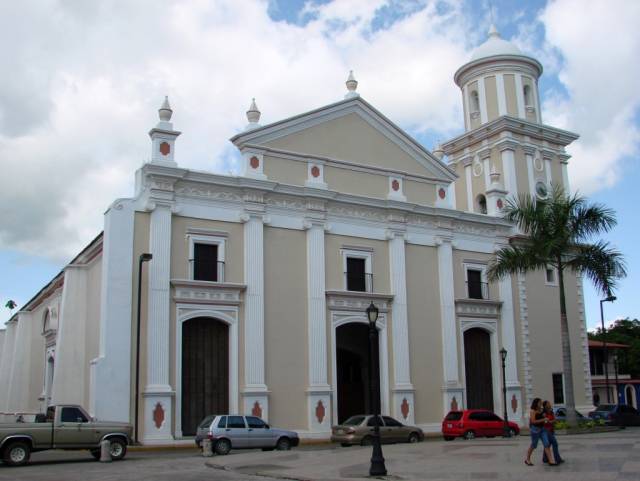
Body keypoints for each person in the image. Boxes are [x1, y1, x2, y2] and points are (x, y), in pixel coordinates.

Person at [524, 397, 557, 466]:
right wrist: (543, 419)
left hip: (542, 429)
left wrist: (546, 417)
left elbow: (545, 415)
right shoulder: (533, 411)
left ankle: (551, 460)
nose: (541, 403)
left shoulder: (541, 410)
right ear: (536, 403)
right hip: (535, 430)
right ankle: (527, 459)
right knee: (534, 445)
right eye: (540, 402)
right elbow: (533, 421)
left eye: (541, 402)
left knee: (546, 444)